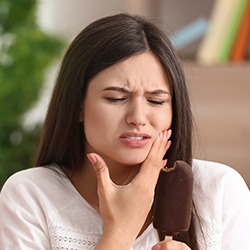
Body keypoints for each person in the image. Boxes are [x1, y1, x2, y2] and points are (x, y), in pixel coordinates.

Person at [0, 13, 250, 250]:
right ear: (77, 106)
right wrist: (120, 230)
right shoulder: (29, 196)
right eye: (117, 98)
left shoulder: (220, 191)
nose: (138, 118)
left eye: (156, 101)